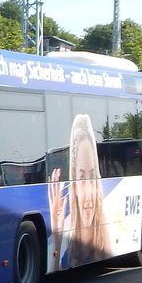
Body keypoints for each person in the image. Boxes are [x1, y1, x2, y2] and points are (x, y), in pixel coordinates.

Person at [47, 113, 113, 269]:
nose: (89, 194)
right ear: (73, 184)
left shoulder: (105, 238)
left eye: (92, 176)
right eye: (82, 178)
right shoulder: (66, 252)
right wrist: (57, 237)